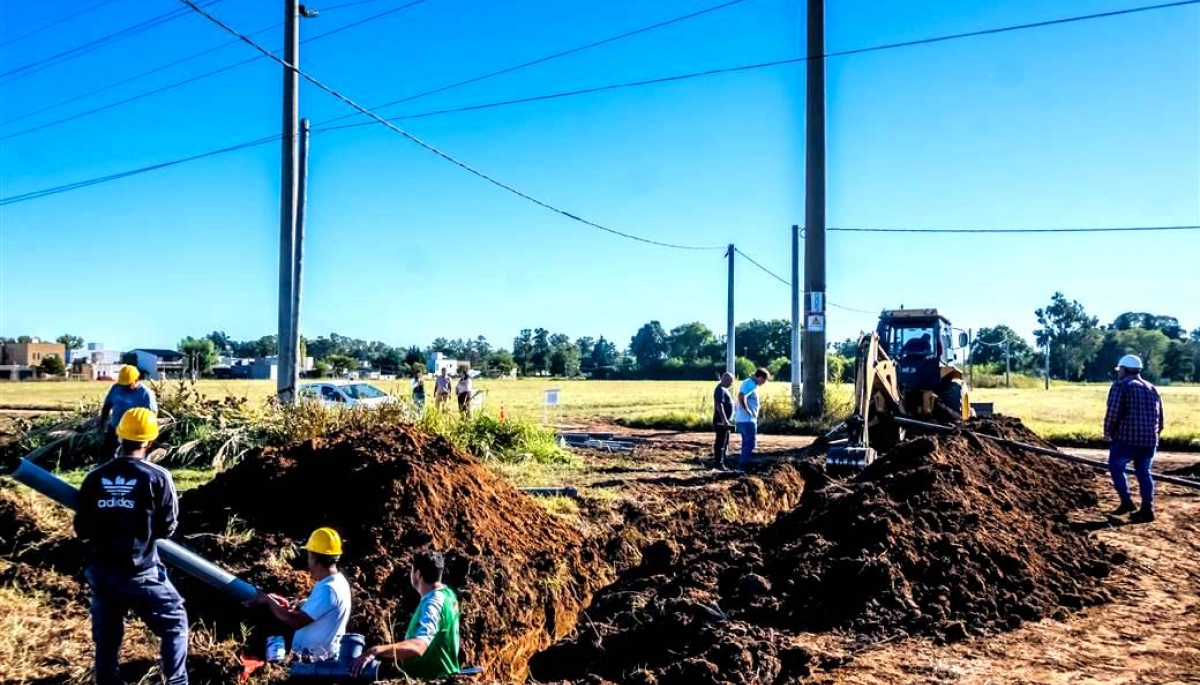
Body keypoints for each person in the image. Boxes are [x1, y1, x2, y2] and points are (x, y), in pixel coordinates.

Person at [73, 408, 188, 685]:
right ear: (150, 441)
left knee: (107, 634)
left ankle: (107, 680)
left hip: (102, 573)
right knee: (175, 623)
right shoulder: (159, 478)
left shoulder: (94, 477)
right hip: (140, 571)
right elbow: (168, 527)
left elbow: (82, 529)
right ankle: (176, 682)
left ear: (119, 435)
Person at [350, 550, 460, 680]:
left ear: (418, 574)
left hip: (432, 679)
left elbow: (419, 646)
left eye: (412, 569)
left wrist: (376, 650)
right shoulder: (447, 593)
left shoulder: (434, 603)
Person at [248, 527, 352, 659]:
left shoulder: (329, 589)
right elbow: (312, 615)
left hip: (313, 663)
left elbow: (295, 622)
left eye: (309, 556)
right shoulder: (338, 582)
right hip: (314, 659)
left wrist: (269, 602)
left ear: (315, 558)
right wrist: (287, 607)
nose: (308, 561)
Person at [1104, 354, 1164, 523]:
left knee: (1116, 468)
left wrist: (1108, 432)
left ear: (1123, 369)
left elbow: (1113, 412)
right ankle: (1147, 509)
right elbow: (1161, 418)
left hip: (1126, 439)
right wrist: (1155, 433)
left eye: (1119, 370)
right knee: (1144, 473)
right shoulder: (1152, 388)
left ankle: (1127, 502)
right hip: (1149, 440)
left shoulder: (1121, 386)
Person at [98, 365, 158, 458]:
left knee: (131, 459)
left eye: (127, 384)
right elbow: (107, 406)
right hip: (115, 428)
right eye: (123, 384)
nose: (124, 387)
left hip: (133, 435)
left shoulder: (146, 394)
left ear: (136, 380)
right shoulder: (116, 388)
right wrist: (102, 424)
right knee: (105, 457)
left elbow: (152, 415)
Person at [735, 368, 771, 469]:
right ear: (759, 377)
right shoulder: (750, 384)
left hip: (743, 420)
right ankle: (742, 466)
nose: (763, 383)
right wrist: (747, 410)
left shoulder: (748, 383)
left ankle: (742, 464)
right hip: (747, 420)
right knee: (750, 443)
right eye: (763, 381)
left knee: (746, 443)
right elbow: (741, 396)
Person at [711, 372, 735, 470]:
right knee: (721, 442)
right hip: (721, 421)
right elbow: (719, 405)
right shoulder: (720, 390)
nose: (731, 384)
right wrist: (725, 420)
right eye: (730, 381)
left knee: (725, 442)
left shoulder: (724, 389)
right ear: (725, 379)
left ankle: (723, 460)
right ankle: (718, 463)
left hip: (725, 421)